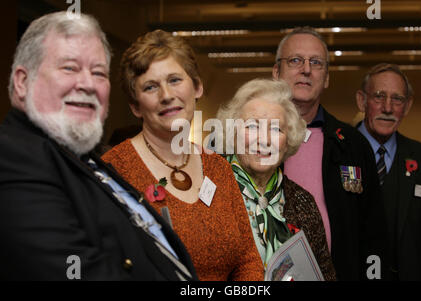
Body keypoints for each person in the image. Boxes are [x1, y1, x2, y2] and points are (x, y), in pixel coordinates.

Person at [0, 12, 197, 281]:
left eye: (98, 72)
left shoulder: (85, 158)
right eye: (69, 68)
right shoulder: (13, 156)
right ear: (23, 82)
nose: (88, 84)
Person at [101, 30, 264, 281]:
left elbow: (248, 258)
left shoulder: (218, 168)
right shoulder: (113, 171)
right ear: (135, 106)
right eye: (151, 86)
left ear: (197, 87)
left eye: (175, 80)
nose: (166, 95)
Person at [272, 26, 387, 280]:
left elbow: (374, 232)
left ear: (326, 78)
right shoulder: (251, 141)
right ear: (276, 72)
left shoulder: (353, 145)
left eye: (316, 62)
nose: (306, 69)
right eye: (295, 61)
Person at [217, 78, 337, 281]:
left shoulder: (302, 201)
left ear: (289, 139)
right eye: (252, 127)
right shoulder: (209, 189)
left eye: (276, 129)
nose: (264, 140)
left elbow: (324, 275)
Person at [356, 63, 421, 280]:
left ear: (407, 106)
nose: (387, 108)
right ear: (361, 100)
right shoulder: (338, 151)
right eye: (378, 96)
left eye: (397, 99)